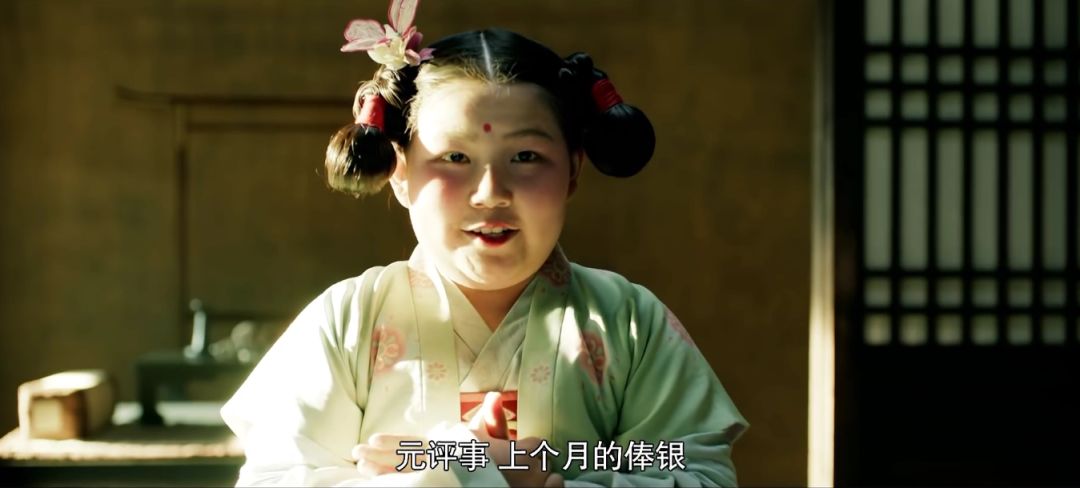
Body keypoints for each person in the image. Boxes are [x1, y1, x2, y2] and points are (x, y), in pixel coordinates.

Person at [220, 1, 747, 486]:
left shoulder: (629, 322)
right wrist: (453, 470)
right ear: (400, 173)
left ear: (572, 170)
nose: (491, 192)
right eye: (455, 158)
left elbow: (697, 474)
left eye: (526, 157)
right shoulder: (348, 320)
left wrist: (532, 477)